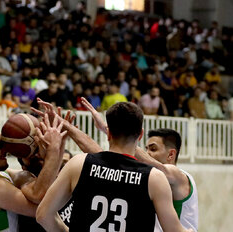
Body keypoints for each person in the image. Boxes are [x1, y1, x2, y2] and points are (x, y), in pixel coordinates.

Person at [36, 102, 192, 232]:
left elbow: (43, 215)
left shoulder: (78, 163)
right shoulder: (154, 178)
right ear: (140, 135)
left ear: (109, 133)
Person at [79, 97, 198, 232]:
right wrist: (69, 128)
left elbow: (128, 149)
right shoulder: (149, 177)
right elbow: (106, 157)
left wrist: (111, 130)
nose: (147, 153)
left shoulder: (178, 176)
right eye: (146, 149)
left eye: (153, 149)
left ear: (171, 155)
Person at [0, 116, 66, 231]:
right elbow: (43, 209)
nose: (6, 149)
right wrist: (54, 150)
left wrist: (53, 146)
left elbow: (37, 186)